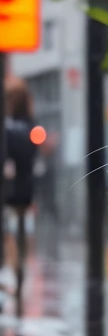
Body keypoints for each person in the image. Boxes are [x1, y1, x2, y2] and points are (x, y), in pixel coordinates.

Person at [3, 76, 38, 294]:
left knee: (8, 231)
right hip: (26, 185)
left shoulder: (7, 128)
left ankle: (15, 266)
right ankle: (20, 266)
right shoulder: (30, 126)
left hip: (8, 186)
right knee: (23, 229)